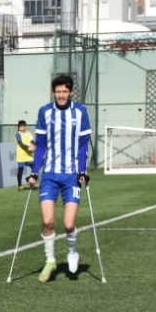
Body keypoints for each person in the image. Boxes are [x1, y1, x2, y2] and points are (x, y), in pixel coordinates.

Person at [32, 74, 93, 281]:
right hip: (49, 174)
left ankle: (72, 251)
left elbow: (85, 144)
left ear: (71, 92)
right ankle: (50, 261)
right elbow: (40, 145)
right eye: (58, 91)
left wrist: (83, 170)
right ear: (53, 92)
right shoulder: (45, 112)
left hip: (71, 176)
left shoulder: (81, 112)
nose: (61, 95)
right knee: (48, 221)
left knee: (68, 224)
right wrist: (34, 171)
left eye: (64, 91)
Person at [14, 118, 38, 189]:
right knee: (20, 170)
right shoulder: (17, 134)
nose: (23, 127)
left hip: (29, 156)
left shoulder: (28, 133)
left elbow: (32, 141)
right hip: (21, 155)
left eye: (24, 126)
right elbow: (20, 143)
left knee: (35, 168)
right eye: (21, 126)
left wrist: (33, 146)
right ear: (19, 127)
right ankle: (20, 185)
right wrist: (28, 148)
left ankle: (29, 180)